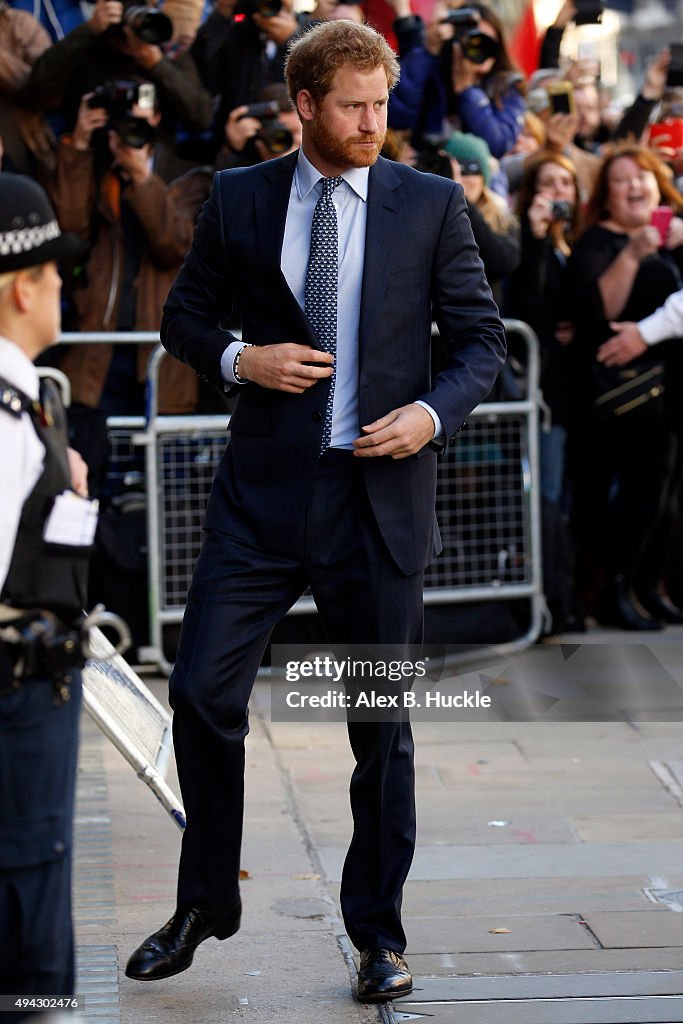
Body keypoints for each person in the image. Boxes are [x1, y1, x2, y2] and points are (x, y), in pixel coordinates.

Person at [125, 19, 506, 1003]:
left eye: (382, 103)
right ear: (303, 105)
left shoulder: (427, 202)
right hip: (260, 501)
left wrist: (429, 414)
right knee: (202, 691)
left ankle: (376, 935)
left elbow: (478, 344)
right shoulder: (243, 198)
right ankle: (206, 899)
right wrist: (236, 360)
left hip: (375, 501)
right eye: (352, 105)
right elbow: (186, 317)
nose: (374, 121)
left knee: (377, 727)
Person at [0, 173, 93, 1020]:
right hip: (15, 690)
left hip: (37, 684)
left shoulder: (27, 398)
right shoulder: (3, 412)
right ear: (23, 285)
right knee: (24, 886)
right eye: (56, 273)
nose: (65, 286)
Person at [568, 144, 683, 629]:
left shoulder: (676, 238)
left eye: (644, 175)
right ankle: (613, 590)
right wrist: (635, 253)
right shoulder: (597, 243)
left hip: (670, 391)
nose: (636, 185)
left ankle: (645, 586)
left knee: (667, 497)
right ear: (605, 196)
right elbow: (602, 310)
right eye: (622, 179)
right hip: (621, 400)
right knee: (634, 494)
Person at [507, 150, 582, 633]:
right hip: (546, 390)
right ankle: (554, 600)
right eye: (548, 183)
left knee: (568, 497)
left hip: (578, 390)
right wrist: (533, 239)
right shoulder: (524, 243)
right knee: (548, 495)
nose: (558, 193)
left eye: (566, 184)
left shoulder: (575, 245)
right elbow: (524, 309)